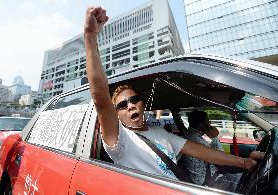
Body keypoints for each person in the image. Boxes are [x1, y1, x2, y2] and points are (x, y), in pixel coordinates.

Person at [84, 6, 263, 183]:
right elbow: (100, 98)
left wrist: (245, 162)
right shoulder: (120, 140)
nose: (130, 105)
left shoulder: (158, 132)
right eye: (122, 105)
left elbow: (199, 150)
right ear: (116, 114)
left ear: (142, 104)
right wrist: (91, 36)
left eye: (133, 100)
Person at [181, 110, 241, 191]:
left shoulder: (190, 136)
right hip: (209, 183)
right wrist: (214, 138)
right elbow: (221, 160)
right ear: (203, 125)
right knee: (244, 180)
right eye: (208, 121)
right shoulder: (196, 141)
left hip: (211, 177)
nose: (210, 124)